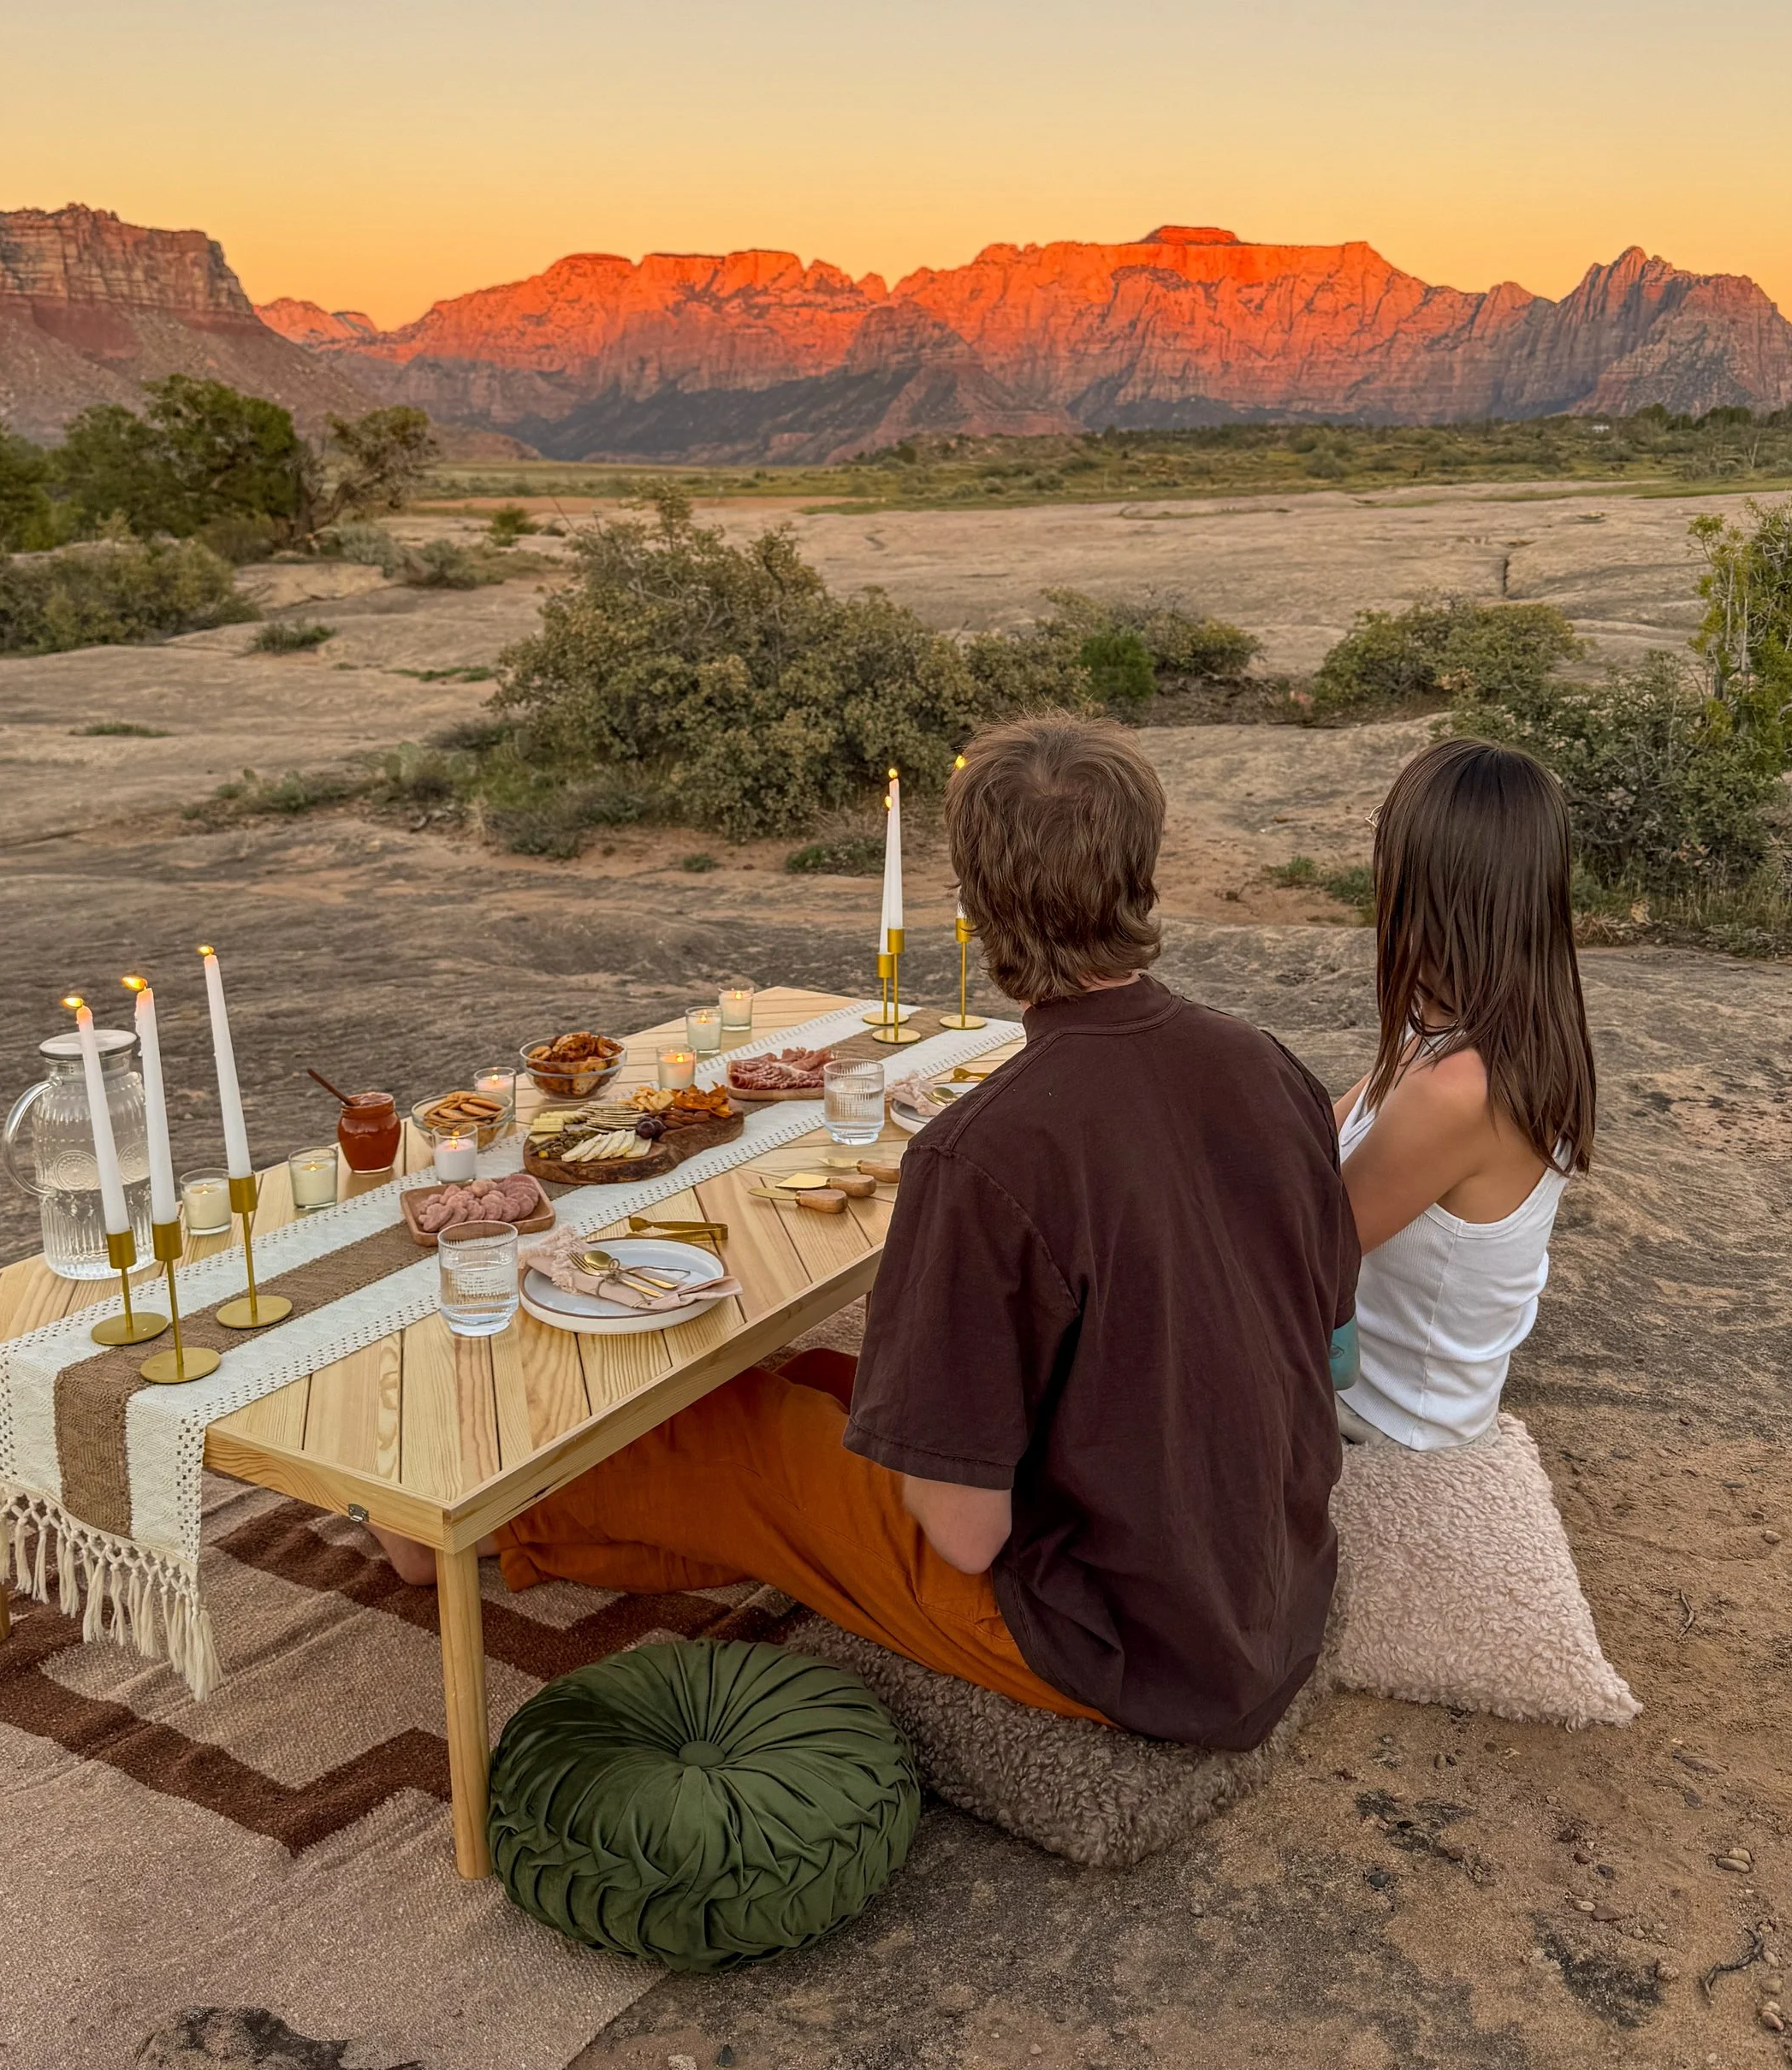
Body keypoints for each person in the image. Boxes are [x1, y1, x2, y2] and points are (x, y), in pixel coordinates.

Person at [413, 715, 1356, 1752]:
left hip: (1116, 1636)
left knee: (726, 1433)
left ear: (974, 901)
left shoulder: (984, 1154)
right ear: (1145, 870)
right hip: (1265, 1577)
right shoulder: (1264, 1063)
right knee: (819, 1379)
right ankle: (563, 1532)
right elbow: (1313, 1331)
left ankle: (472, 1534)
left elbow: (964, 1535)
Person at [1333, 735, 1596, 1452]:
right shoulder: (1467, 1034)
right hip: (1373, 1401)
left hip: (1381, 1426)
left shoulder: (1459, 1091)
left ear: (1428, 886)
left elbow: (1300, 1244)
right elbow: (1312, 1134)